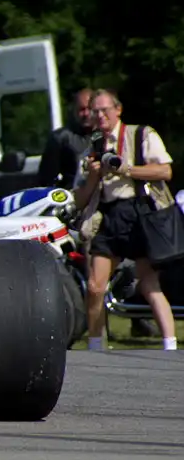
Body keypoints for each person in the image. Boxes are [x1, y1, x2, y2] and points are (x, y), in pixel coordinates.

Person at [70, 89, 177, 351]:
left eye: (105, 110)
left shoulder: (140, 134)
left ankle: (170, 346)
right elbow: (80, 199)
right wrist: (94, 176)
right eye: (95, 111)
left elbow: (165, 171)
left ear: (118, 110)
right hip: (108, 214)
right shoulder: (92, 143)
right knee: (95, 286)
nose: (100, 116)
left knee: (149, 284)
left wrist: (126, 169)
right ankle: (96, 347)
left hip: (139, 211)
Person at [38, 88, 93, 188]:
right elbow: (46, 179)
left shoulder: (105, 135)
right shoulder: (60, 138)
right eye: (82, 109)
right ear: (74, 110)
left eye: (90, 109)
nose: (86, 113)